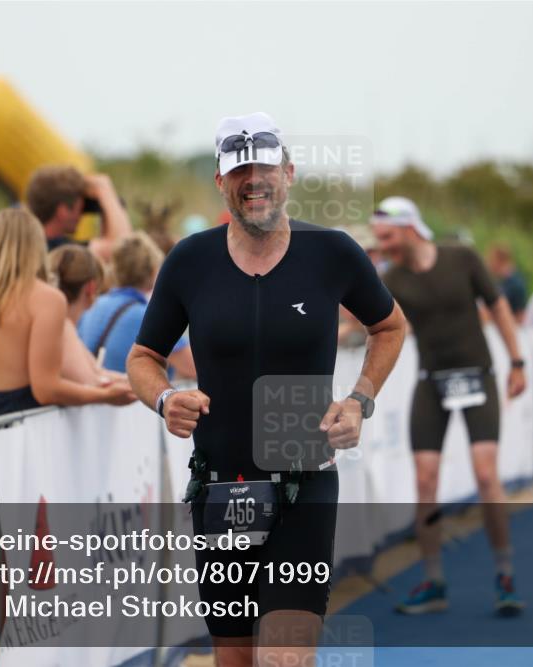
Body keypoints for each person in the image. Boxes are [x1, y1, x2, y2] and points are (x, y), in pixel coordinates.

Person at [127, 112, 407, 667]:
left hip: (305, 485)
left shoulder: (331, 252)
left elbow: (391, 326)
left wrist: (359, 400)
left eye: (265, 168)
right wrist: (164, 398)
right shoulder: (190, 260)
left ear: (289, 172)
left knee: (284, 656)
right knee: (234, 658)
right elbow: (142, 358)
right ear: (220, 182)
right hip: (221, 490)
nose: (253, 181)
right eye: (239, 172)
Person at [370, 195, 527, 616]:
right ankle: (433, 581)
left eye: (387, 237)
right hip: (431, 383)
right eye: (379, 239)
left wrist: (517, 362)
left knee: (486, 473)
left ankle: (505, 575)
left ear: (409, 229)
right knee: (425, 480)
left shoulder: (462, 258)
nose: (382, 246)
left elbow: (499, 308)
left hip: (477, 377)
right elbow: (373, 324)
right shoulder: (391, 279)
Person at [0, 207, 135, 462]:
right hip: (23, 439)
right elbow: (46, 389)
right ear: (35, 246)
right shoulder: (45, 299)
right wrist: (105, 396)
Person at [79, 232, 195, 379]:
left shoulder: (95, 305)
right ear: (153, 271)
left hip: (99, 387)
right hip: (128, 391)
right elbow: (193, 367)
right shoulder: (145, 315)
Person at [47, 243, 137, 386]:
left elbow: (98, 373)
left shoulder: (58, 326)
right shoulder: (63, 327)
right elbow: (91, 382)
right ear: (91, 288)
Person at [24, 165, 131, 261]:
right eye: (80, 207)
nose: (81, 214)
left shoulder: (24, 243)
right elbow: (122, 249)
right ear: (63, 211)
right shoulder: (62, 251)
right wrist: (103, 189)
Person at [487, 244, 528, 321]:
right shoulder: (503, 281)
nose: (489, 264)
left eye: (491, 260)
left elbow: (520, 315)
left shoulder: (515, 284)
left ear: (498, 261)